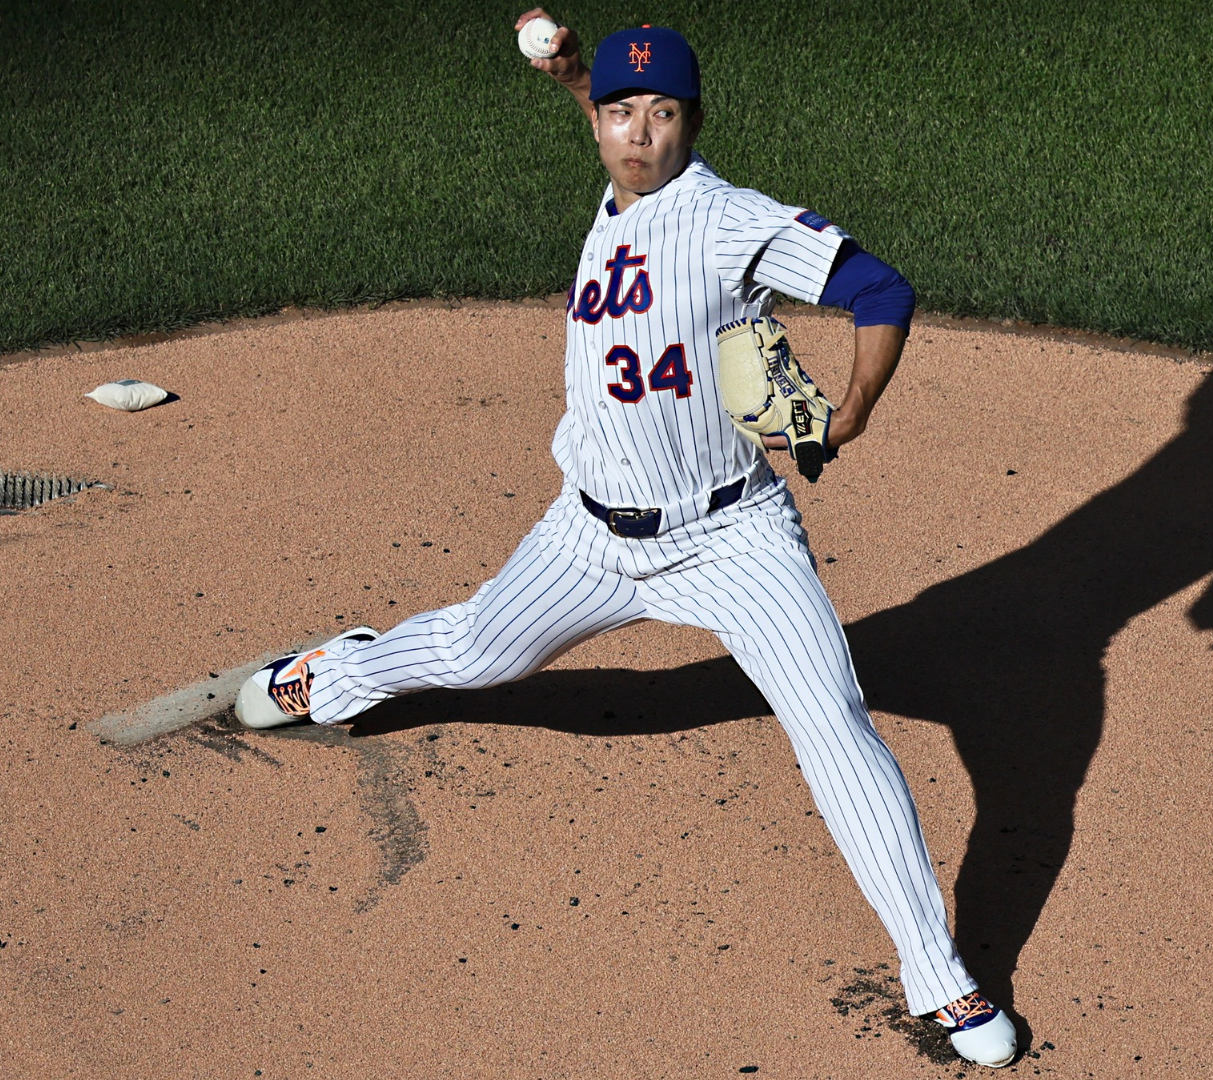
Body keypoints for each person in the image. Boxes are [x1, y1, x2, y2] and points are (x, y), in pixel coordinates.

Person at [232, 11, 1018, 1068]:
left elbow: (880, 289)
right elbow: (622, 144)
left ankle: (944, 982)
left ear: (692, 122)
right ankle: (338, 674)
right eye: (618, 112)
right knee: (474, 652)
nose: (638, 134)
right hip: (589, 535)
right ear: (598, 121)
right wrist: (571, 72)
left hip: (734, 539)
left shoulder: (731, 219)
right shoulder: (619, 184)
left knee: (833, 725)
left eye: (661, 113)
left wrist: (857, 408)